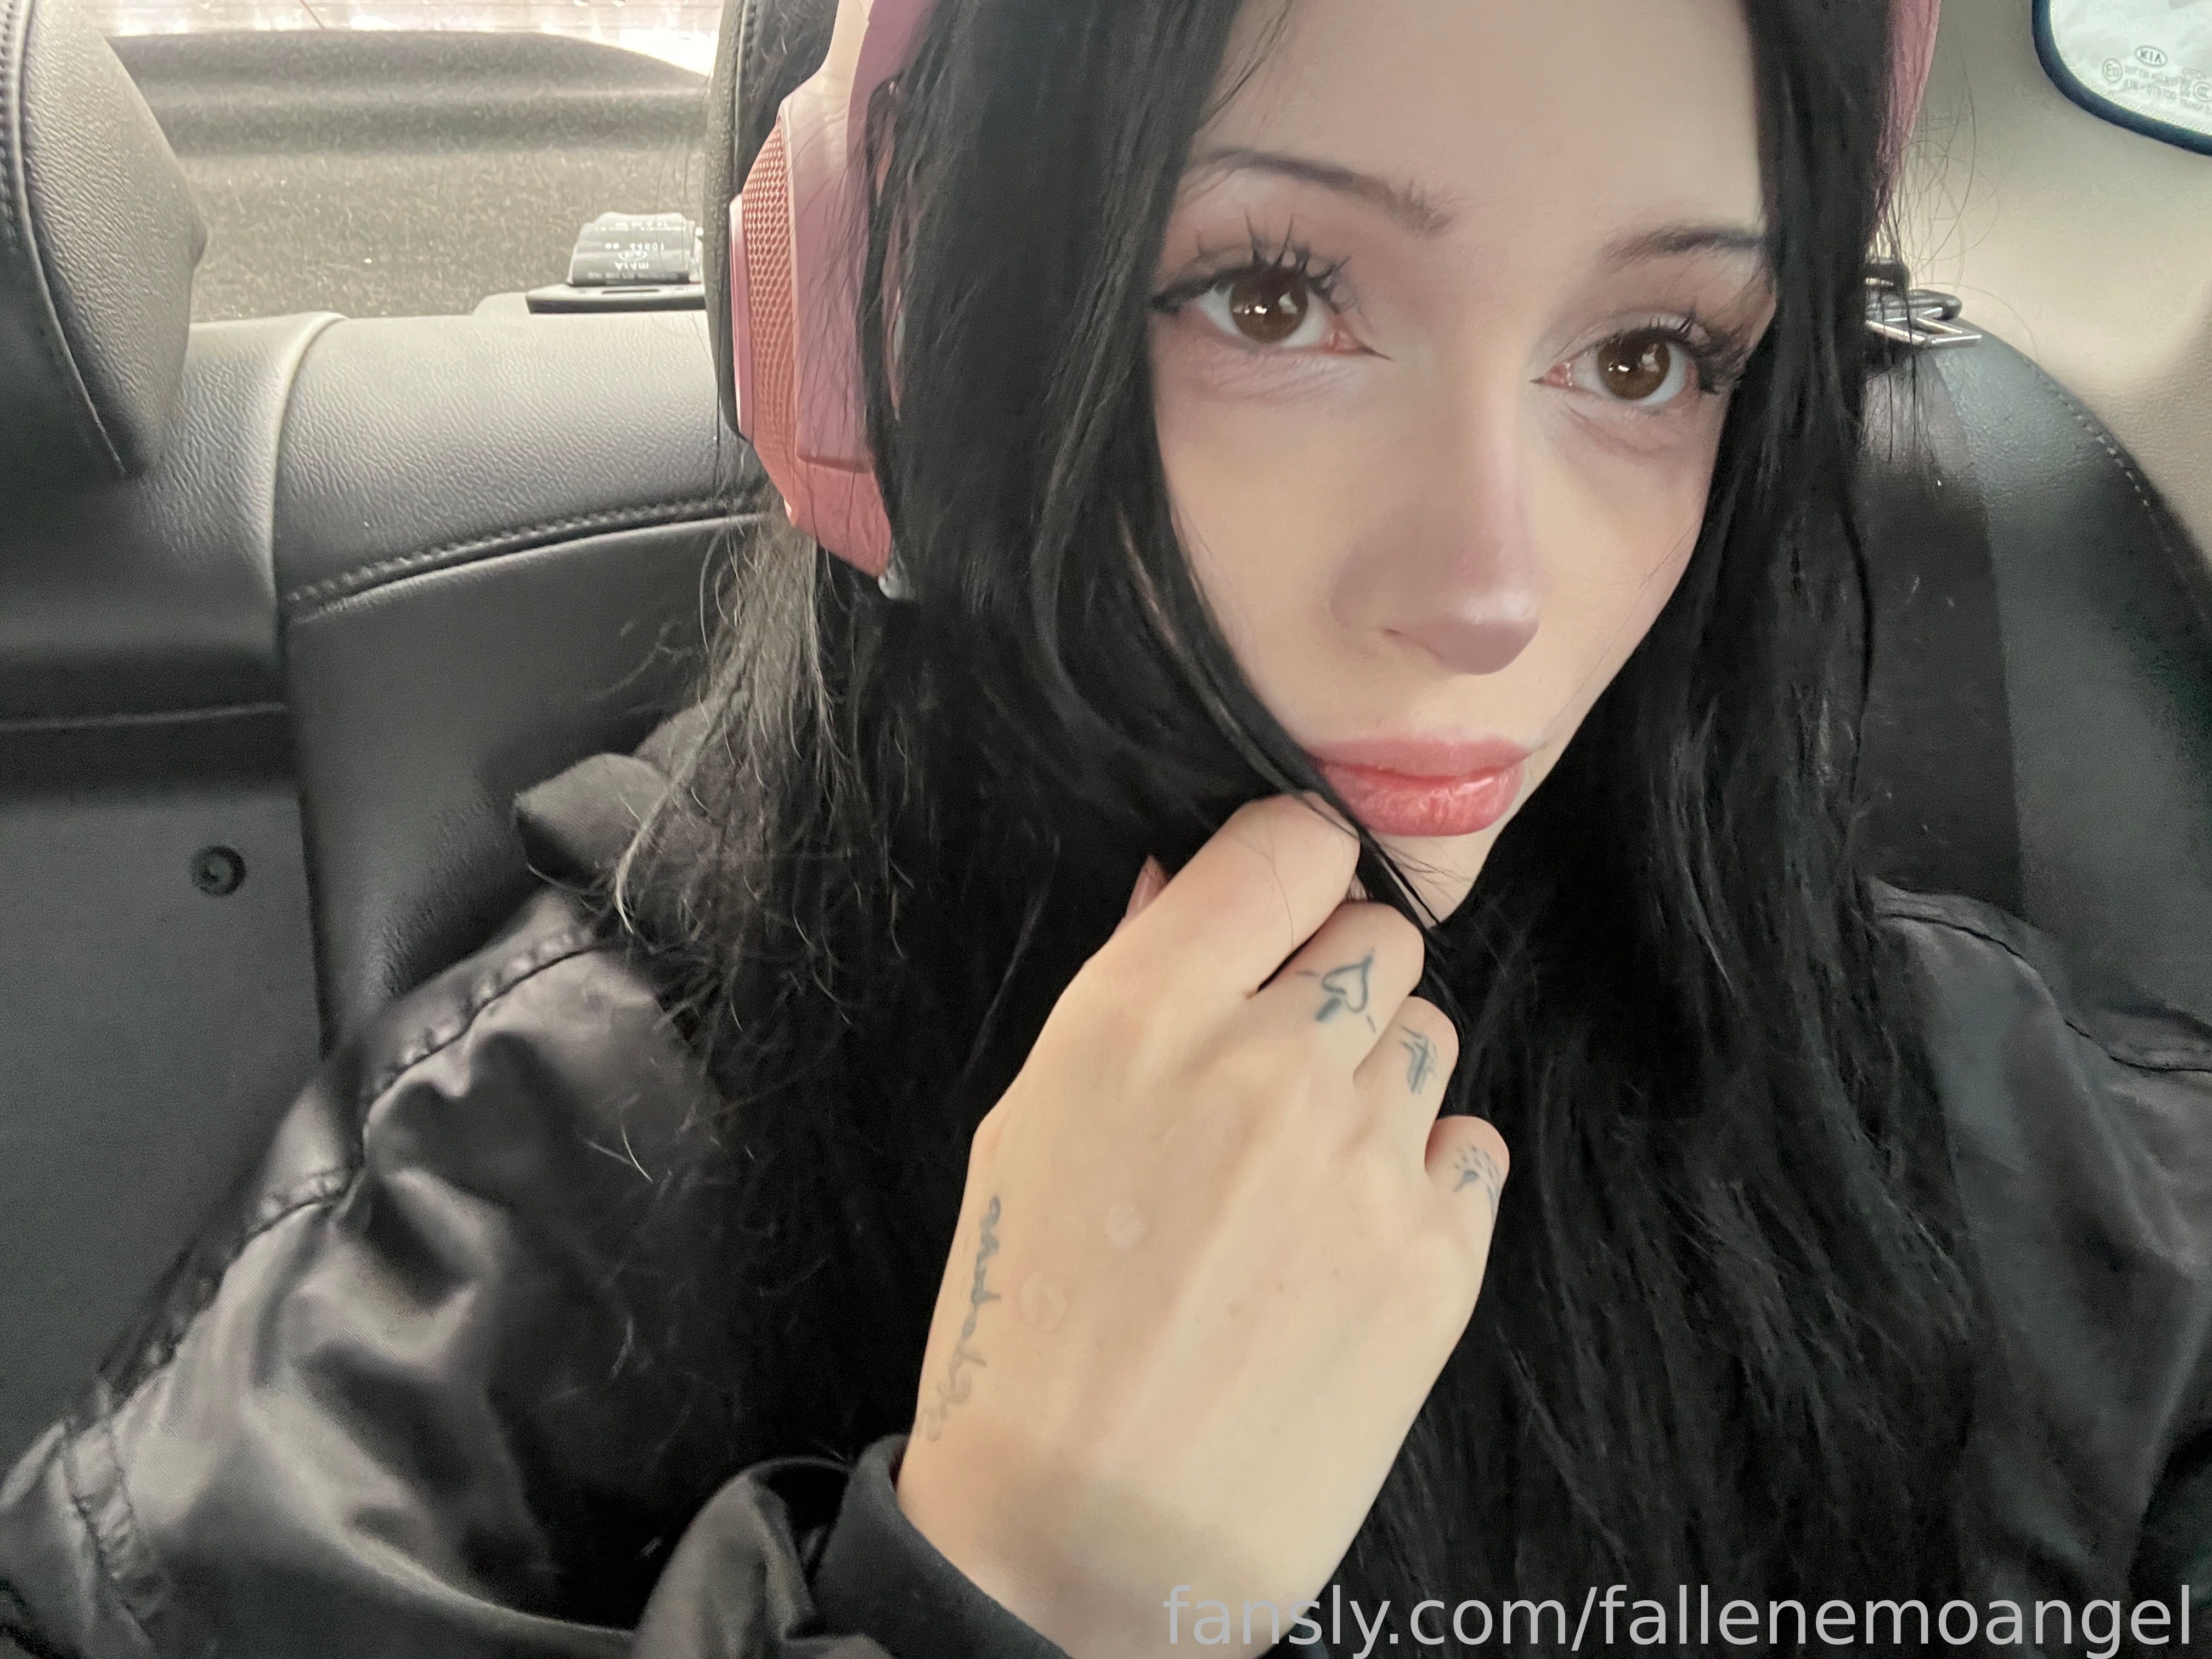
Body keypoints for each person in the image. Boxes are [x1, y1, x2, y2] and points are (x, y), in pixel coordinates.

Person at [5, 0, 2211, 1654]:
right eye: (1276, 297)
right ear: (891, 354)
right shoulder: (566, 1184)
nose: (1492, 595)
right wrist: (1013, 1586)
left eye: (1648, 353)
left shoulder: (2021, 1144)